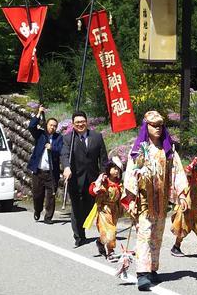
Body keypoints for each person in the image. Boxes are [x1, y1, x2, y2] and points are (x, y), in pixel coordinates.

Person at [123, 110, 187, 291]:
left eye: (160, 125)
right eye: (153, 125)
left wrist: (181, 194)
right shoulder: (139, 149)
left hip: (162, 199)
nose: (158, 129)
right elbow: (131, 173)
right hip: (144, 199)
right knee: (144, 234)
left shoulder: (169, 150)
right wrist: (131, 198)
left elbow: (177, 171)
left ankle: (152, 268)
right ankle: (142, 273)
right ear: (146, 127)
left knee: (157, 234)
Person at [61, 111, 108, 247]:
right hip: (75, 178)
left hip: (93, 179)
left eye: (82, 122)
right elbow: (64, 154)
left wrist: (103, 173)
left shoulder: (97, 137)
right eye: (77, 123)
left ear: (87, 122)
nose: (80, 124)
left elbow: (103, 159)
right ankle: (79, 236)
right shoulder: (68, 138)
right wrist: (66, 167)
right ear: (73, 124)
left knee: (90, 207)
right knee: (76, 208)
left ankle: (95, 230)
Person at [26, 106, 63, 223]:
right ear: (47, 125)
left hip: (51, 172)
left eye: (55, 126)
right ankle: (37, 210)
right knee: (37, 195)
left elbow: (61, 150)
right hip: (38, 171)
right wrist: (39, 113)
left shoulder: (59, 138)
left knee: (51, 197)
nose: (52, 127)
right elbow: (31, 126)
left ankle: (48, 217)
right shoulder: (41, 135)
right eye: (51, 125)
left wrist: (52, 148)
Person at [171, 150, 197, 256]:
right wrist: (195, 162)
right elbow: (187, 171)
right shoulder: (194, 172)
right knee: (183, 226)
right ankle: (176, 246)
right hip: (188, 203)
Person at [89, 157, 127, 261]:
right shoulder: (103, 180)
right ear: (108, 168)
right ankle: (111, 252)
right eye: (114, 168)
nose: (116, 171)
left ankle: (100, 242)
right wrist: (96, 189)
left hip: (114, 209)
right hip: (104, 209)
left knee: (110, 232)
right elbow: (93, 189)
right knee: (110, 231)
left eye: (118, 169)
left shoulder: (119, 183)